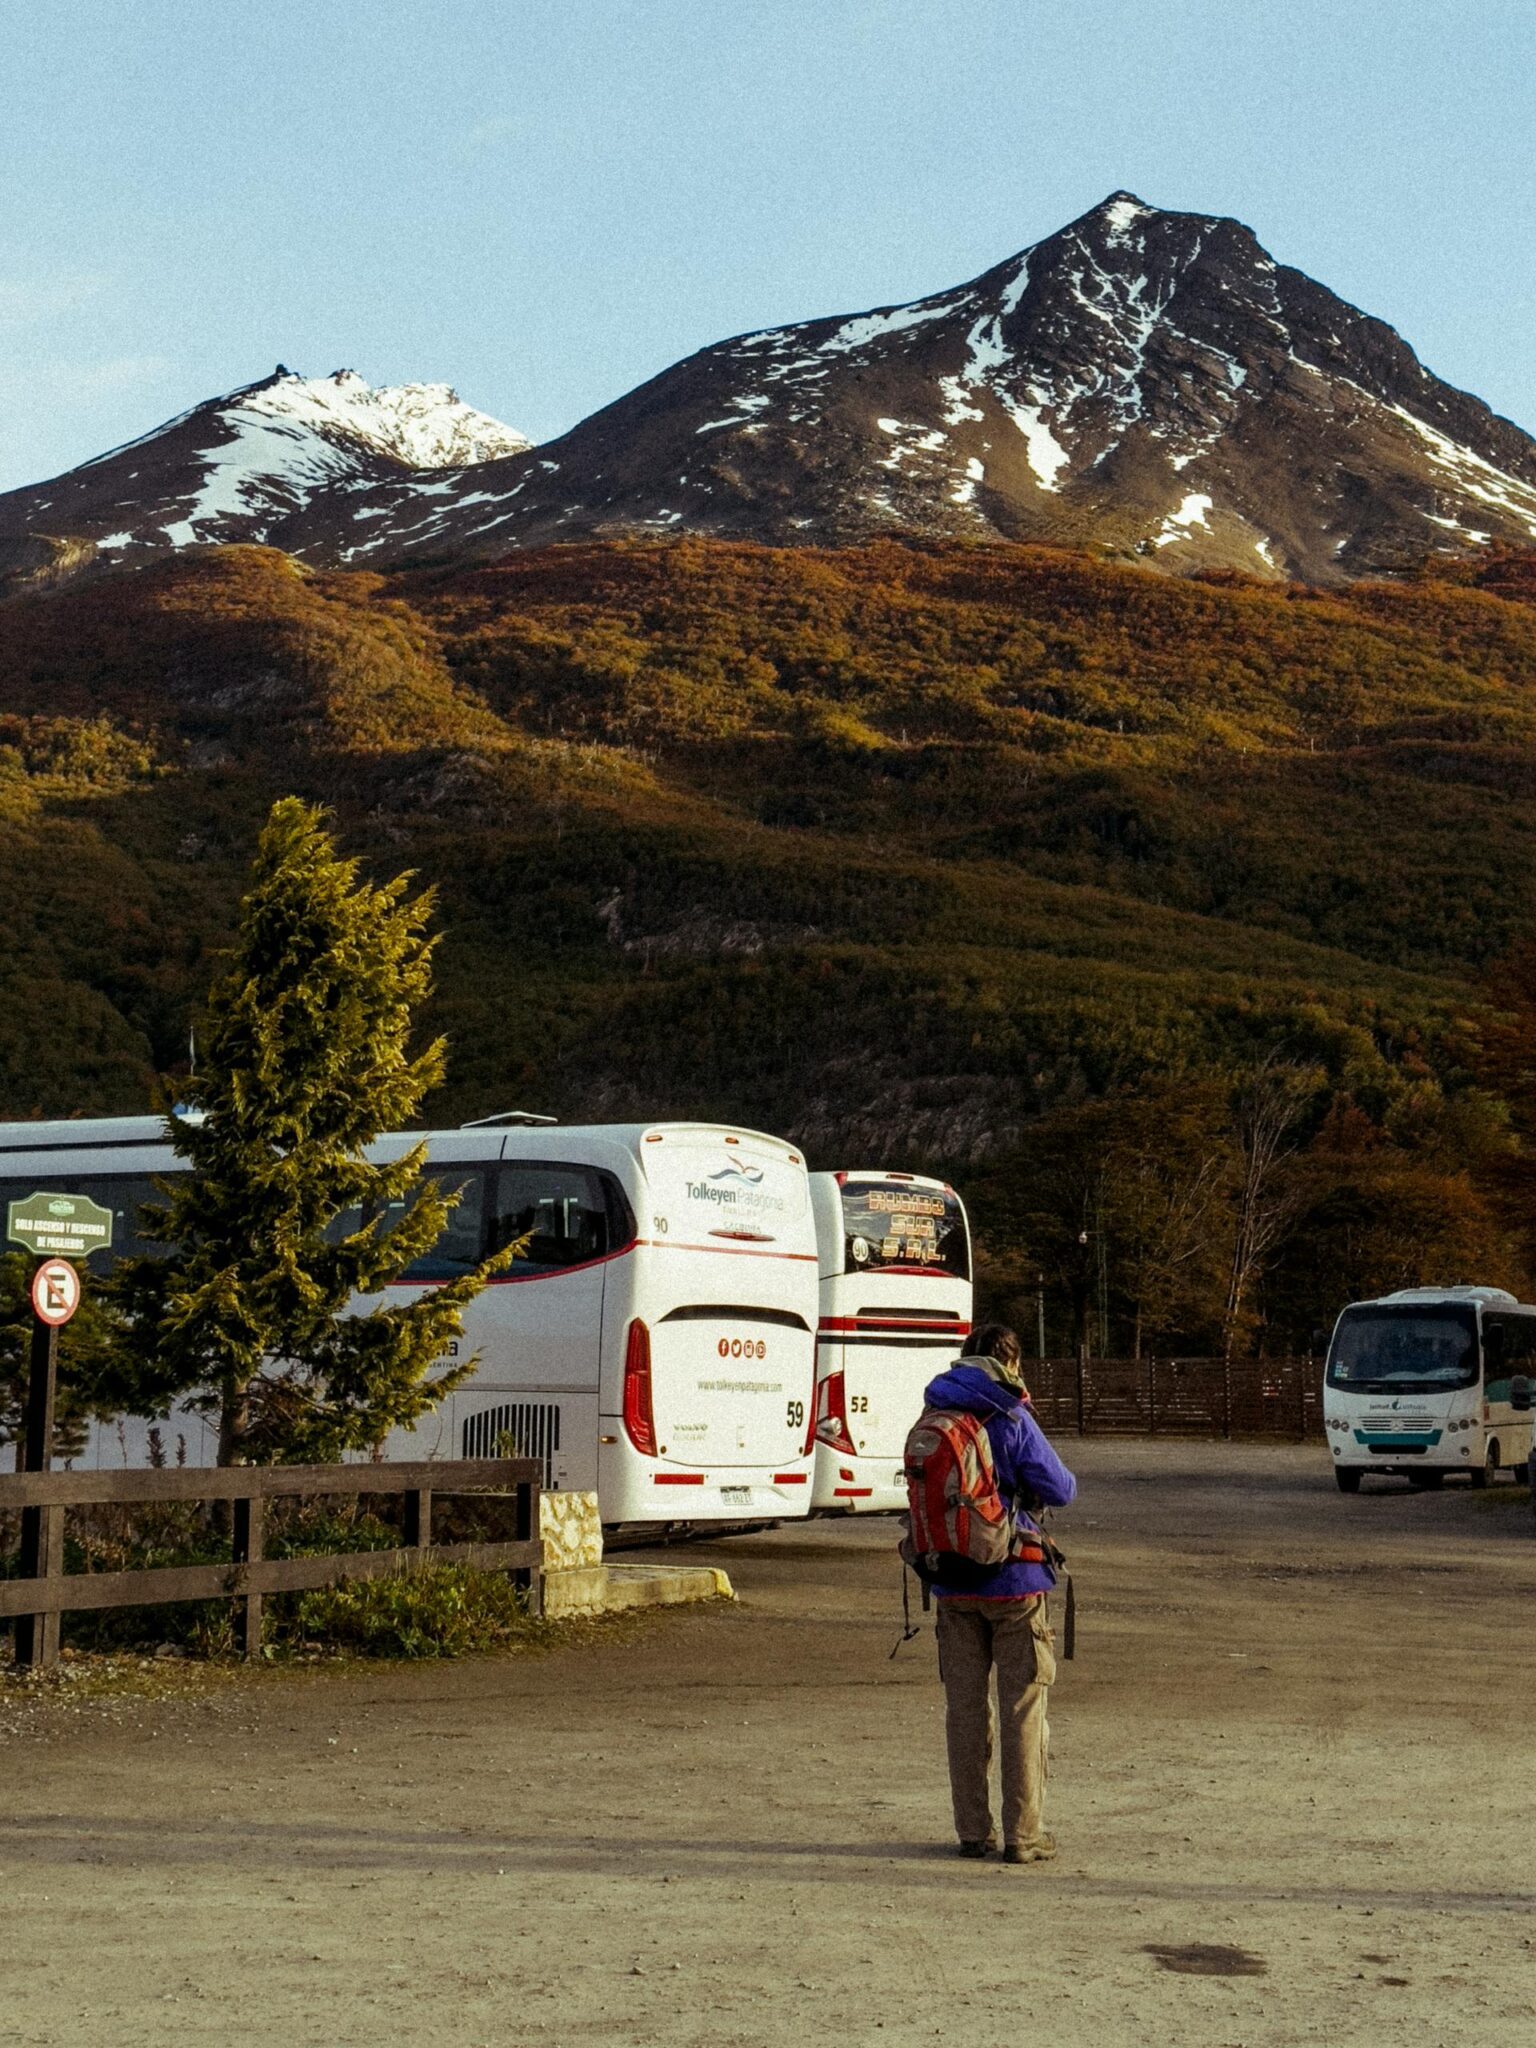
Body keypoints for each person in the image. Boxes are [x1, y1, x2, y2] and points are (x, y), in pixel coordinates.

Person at [921, 1321, 1076, 1864]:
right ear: (1011, 1364)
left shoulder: (935, 1411)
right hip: (1014, 1583)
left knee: (963, 1710)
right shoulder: (1010, 1415)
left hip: (950, 1583)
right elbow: (1063, 1487)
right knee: (1022, 1708)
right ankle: (1024, 1836)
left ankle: (972, 1832)